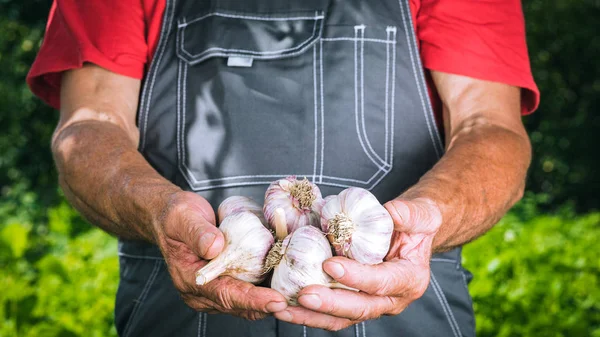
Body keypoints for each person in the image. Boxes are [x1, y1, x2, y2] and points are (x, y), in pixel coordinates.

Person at [27, 0, 539, 336]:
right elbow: (90, 126)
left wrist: (431, 217)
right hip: (176, 318)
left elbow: (489, 127)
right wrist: (158, 211)